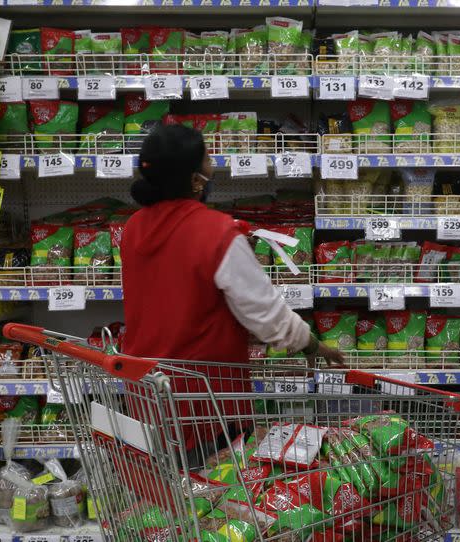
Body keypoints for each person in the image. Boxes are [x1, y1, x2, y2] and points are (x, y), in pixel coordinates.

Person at [120, 124, 344, 462]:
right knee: (211, 501)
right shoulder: (217, 234)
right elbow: (266, 315)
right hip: (205, 406)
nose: (213, 164)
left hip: (147, 397)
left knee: (168, 502)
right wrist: (312, 344)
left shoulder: (134, 228)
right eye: (208, 158)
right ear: (196, 180)